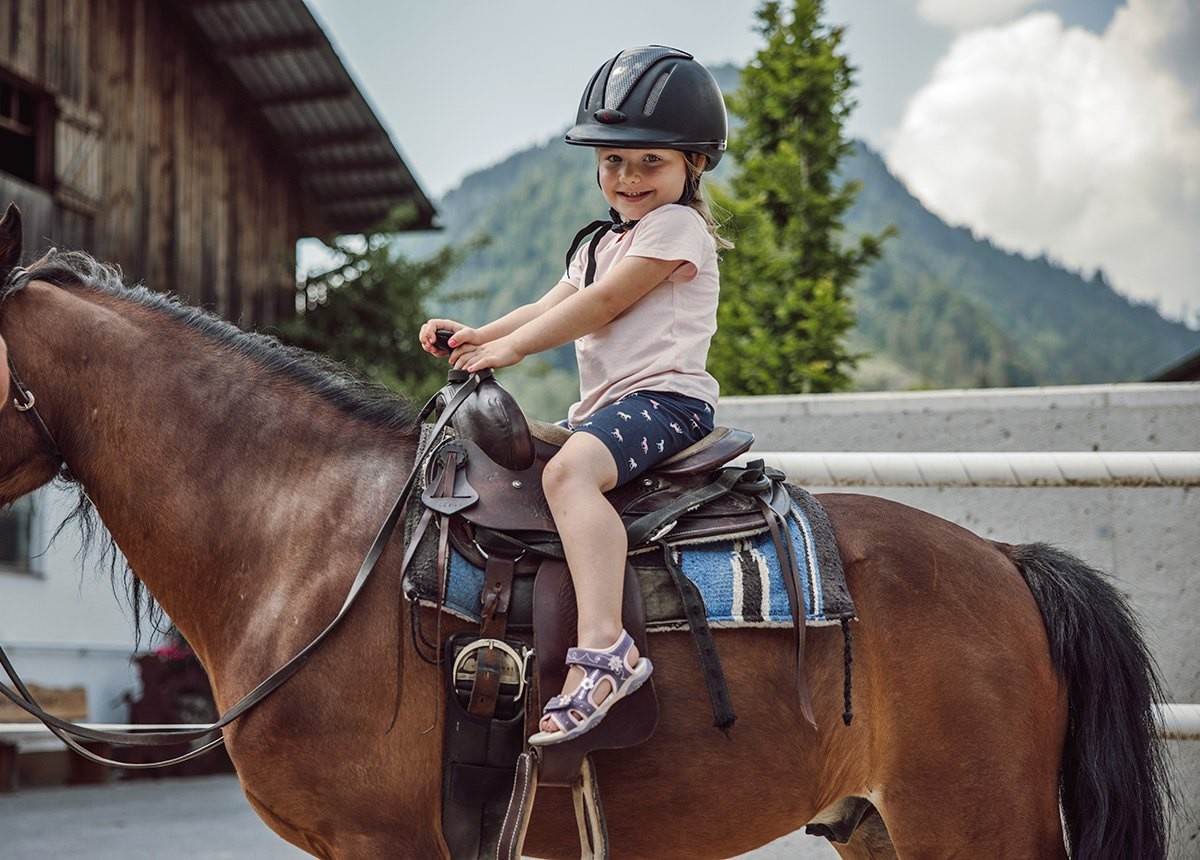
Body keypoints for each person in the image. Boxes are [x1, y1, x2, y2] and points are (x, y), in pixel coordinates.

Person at [419, 45, 729, 745]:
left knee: (568, 475)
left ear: (694, 163)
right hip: (608, 409)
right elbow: (550, 303)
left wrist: (515, 351)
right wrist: (481, 335)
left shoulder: (677, 228)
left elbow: (602, 305)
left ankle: (607, 651)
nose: (628, 177)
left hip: (667, 402)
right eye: (613, 160)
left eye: (650, 161)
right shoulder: (596, 243)